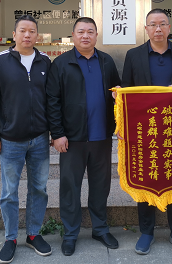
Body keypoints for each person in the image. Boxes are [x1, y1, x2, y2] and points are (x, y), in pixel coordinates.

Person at [120, 8, 172, 256]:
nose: (158, 29)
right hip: (144, 129)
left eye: (162, 24)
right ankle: (146, 231)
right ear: (146, 29)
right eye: (153, 24)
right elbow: (126, 91)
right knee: (145, 174)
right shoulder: (134, 55)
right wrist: (122, 125)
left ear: (169, 28)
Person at [47, 17, 121, 256]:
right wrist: (58, 134)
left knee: (100, 186)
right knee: (70, 187)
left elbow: (118, 96)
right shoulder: (61, 63)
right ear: (73, 35)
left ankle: (100, 229)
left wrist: (120, 125)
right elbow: (52, 101)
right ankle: (70, 233)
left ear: (96, 36)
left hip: (101, 136)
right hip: (72, 139)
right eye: (81, 32)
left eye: (90, 32)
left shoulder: (106, 61)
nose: (85, 36)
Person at [0, 15, 52, 264]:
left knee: (39, 189)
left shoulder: (45, 61)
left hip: (39, 139)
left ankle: (33, 234)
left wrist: (54, 132)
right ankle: (10, 238)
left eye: (32, 31)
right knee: (9, 191)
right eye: (22, 31)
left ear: (37, 35)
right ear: (14, 34)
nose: (27, 35)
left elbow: (52, 100)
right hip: (11, 139)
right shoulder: (0, 61)